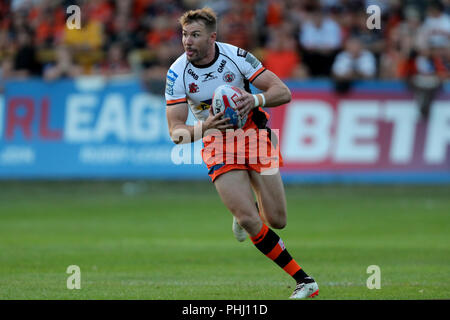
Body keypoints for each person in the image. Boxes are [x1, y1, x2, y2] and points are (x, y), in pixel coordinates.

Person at [165, 7, 318, 299]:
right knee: (250, 220)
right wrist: (205, 126)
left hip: (254, 135)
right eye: (184, 34)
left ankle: (248, 209)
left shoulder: (236, 57)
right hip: (216, 141)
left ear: (212, 38)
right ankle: (305, 280)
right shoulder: (177, 73)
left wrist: (255, 98)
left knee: (277, 220)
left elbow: (283, 91)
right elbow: (176, 133)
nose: (187, 41)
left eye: (195, 35)